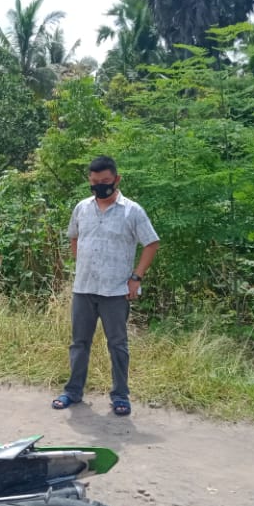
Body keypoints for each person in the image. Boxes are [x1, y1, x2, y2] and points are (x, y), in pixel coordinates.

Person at [52, 155, 159, 416]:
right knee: (79, 343)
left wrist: (136, 278)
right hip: (84, 288)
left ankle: (120, 395)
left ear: (117, 180)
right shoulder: (82, 208)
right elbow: (74, 238)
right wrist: (83, 264)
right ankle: (73, 391)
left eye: (106, 181)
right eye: (95, 182)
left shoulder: (132, 211)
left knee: (118, 345)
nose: (100, 186)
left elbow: (151, 244)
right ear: (90, 181)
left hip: (116, 291)